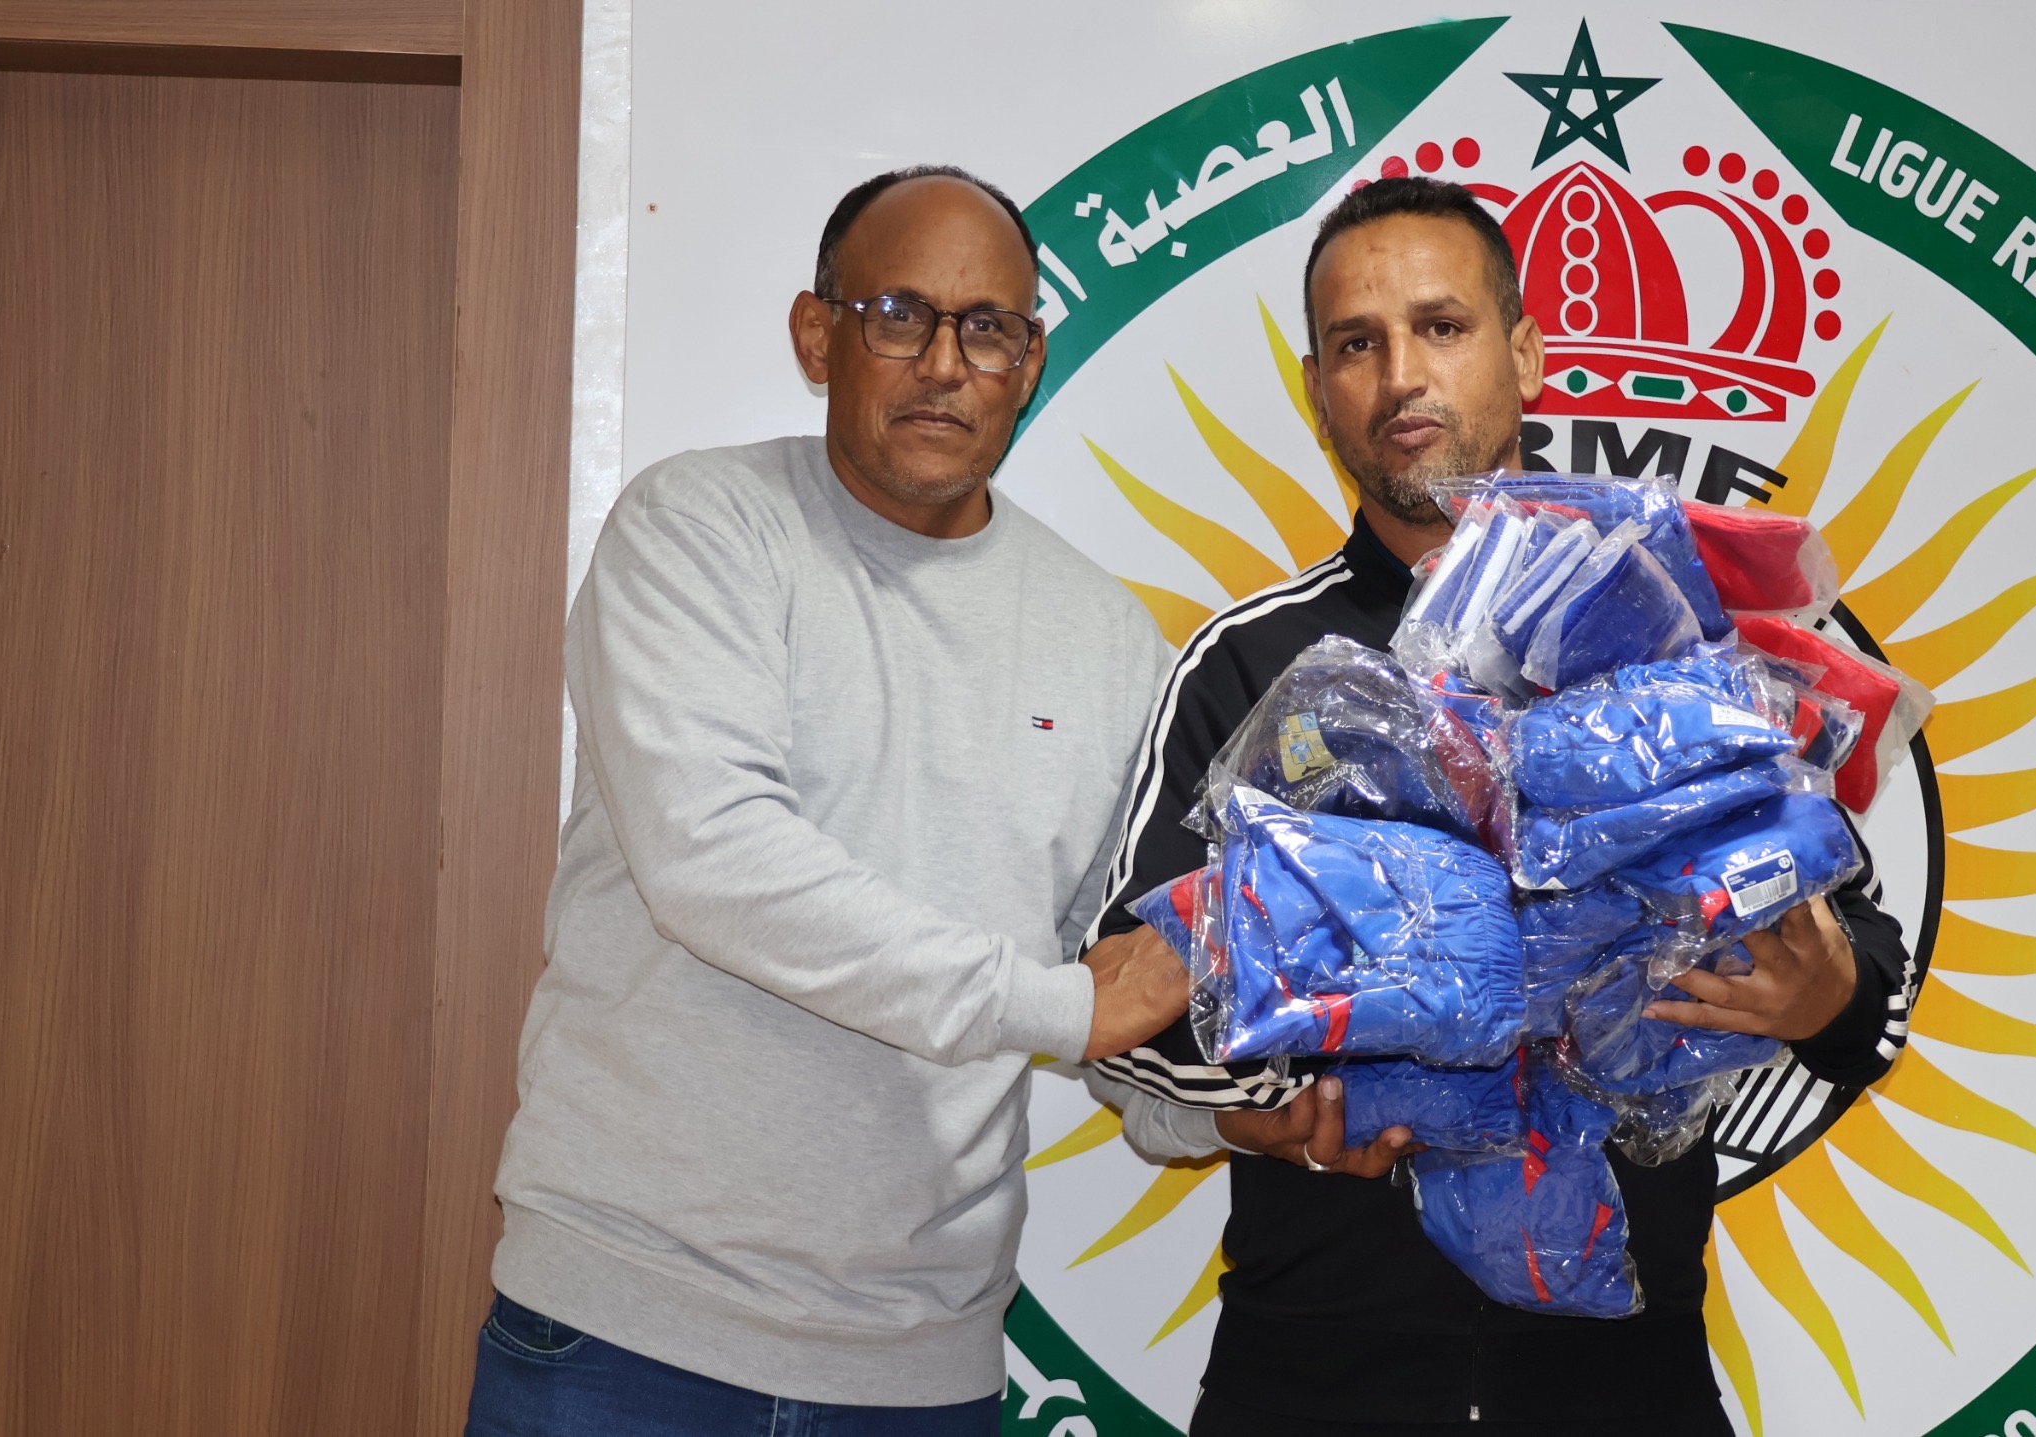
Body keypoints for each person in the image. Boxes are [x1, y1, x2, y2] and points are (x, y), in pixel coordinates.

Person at [1088, 176, 1921, 1436]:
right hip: (1310, 1380)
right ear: (1317, 389)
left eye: (1441, 326)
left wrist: (1826, 994)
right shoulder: (1254, 665)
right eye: (1356, 344)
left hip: (1624, 1380)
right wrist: (1285, 1103)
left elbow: (1869, 988)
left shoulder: (1678, 627)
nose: (1399, 377)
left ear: (1524, 353)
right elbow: (1120, 1012)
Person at [466, 166, 1191, 1437]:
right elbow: (718, 864)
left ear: (1027, 363)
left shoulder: (1108, 639)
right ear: (818, 335)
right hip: (623, 1333)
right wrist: (1067, 1007)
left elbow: (1116, 964)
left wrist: (1246, 1109)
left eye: (988, 328)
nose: (945, 364)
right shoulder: (699, 528)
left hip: (920, 1370)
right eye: (901, 315)